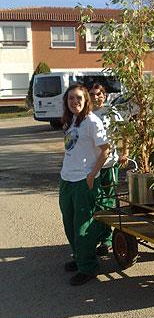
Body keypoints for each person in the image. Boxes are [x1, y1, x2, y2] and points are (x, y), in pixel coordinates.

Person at [60, 84, 110, 286]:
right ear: (66, 100)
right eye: (71, 98)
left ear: (85, 100)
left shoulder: (92, 121)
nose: (75, 102)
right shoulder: (71, 120)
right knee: (69, 222)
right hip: (67, 179)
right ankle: (79, 257)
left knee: (83, 226)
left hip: (84, 181)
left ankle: (88, 266)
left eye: (79, 98)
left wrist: (92, 175)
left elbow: (105, 150)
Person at [89, 83, 128, 256]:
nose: (95, 97)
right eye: (92, 94)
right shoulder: (86, 114)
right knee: (94, 202)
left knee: (108, 201)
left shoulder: (111, 113)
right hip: (91, 166)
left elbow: (125, 131)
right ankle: (95, 236)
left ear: (104, 95)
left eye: (99, 94)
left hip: (109, 164)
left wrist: (124, 152)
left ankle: (106, 239)